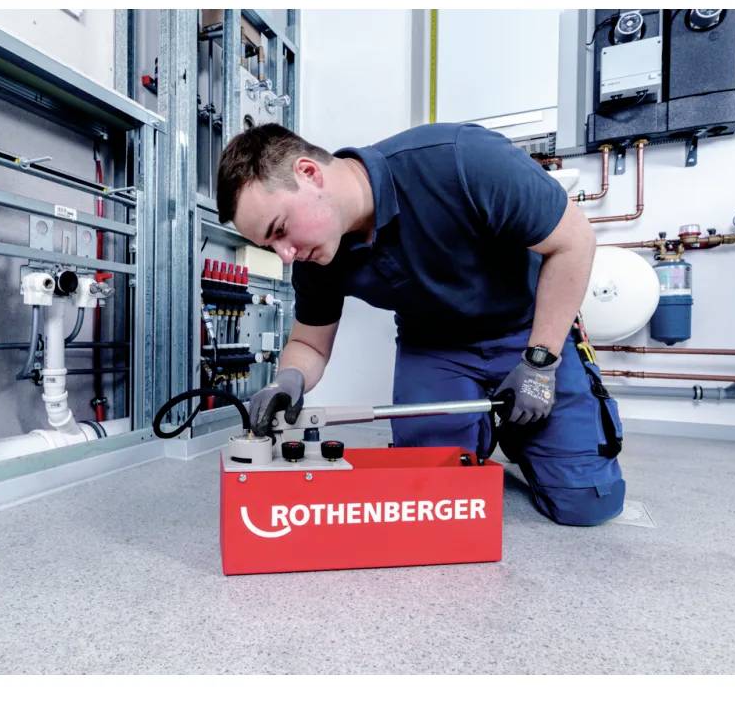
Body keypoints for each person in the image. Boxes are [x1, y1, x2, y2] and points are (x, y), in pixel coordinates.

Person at [215, 123, 624, 526]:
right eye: (270, 246)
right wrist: (287, 380)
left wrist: (539, 363)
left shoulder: (461, 158)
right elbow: (311, 345)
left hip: (530, 332)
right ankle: (486, 425)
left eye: (280, 230)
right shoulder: (316, 257)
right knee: (431, 499)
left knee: (584, 504)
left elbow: (574, 240)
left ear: (309, 173)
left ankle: (521, 434)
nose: (285, 255)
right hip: (435, 349)